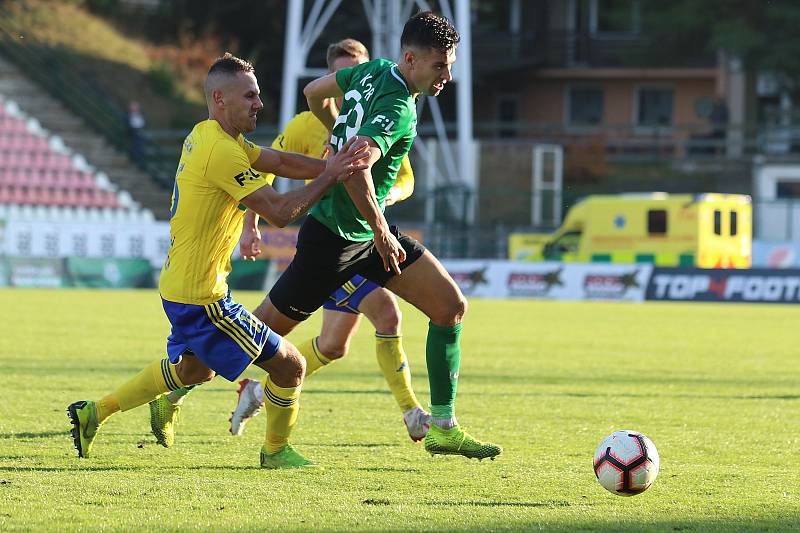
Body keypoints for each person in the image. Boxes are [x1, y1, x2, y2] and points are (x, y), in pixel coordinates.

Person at [66, 53, 369, 469]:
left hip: (180, 286)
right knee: (290, 367)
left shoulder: (208, 135)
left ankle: (93, 413)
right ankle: (276, 452)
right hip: (204, 296)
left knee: (195, 372)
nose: (259, 104)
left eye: (259, 95)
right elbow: (279, 211)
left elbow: (278, 161)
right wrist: (332, 175)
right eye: (250, 96)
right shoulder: (221, 154)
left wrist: (333, 165)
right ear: (220, 99)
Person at [150, 39, 430, 446]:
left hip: (362, 236)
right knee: (380, 316)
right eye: (345, 75)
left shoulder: (383, 118)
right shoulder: (304, 126)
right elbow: (265, 169)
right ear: (336, 80)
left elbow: (404, 177)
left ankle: (228, 388)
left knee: (333, 345)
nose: (356, 85)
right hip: (332, 240)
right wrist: (253, 225)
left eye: (361, 71)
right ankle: (413, 412)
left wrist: (384, 194)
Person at [262, 11, 500, 460]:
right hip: (333, 240)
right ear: (410, 58)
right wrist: (380, 230)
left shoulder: (375, 71)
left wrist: (336, 131)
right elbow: (356, 166)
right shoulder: (396, 107)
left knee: (450, 307)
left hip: (366, 235)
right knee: (250, 336)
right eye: (439, 66)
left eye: (450, 65)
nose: (447, 76)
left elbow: (314, 92)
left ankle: (444, 427)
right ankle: (168, 389)